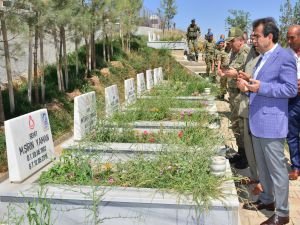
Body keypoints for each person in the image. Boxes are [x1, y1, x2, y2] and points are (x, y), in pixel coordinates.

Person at [239, 17, 297, 225]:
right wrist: (247, 86)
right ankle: (267, 199)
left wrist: (260, 87)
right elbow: (259, 85)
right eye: (252, 35)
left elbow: (290, 89)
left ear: (269, 36)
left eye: (256, 35)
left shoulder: (284, 57)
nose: (253, 39)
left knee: (278, 171)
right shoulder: (262, 57)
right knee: (263, 168)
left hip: (272, 124)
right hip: (258, 122)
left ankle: (282, 213)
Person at [222, 27, 250, 169]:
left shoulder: (246, 52)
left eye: (232, 41)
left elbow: (239, 72)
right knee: (235, 125)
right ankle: (240, 153)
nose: (230, 44)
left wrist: (230, 73)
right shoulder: (234, 52)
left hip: (241, 95)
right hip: (233, 94)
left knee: (242, 127)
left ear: (240, 40)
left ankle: (245, 158)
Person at [286, 25, 300, 180]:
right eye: (287, 38)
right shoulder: (285, 54)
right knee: (292, 134)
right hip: (292, 100)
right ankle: (296, 167)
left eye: (292, 38)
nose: (289, 41)